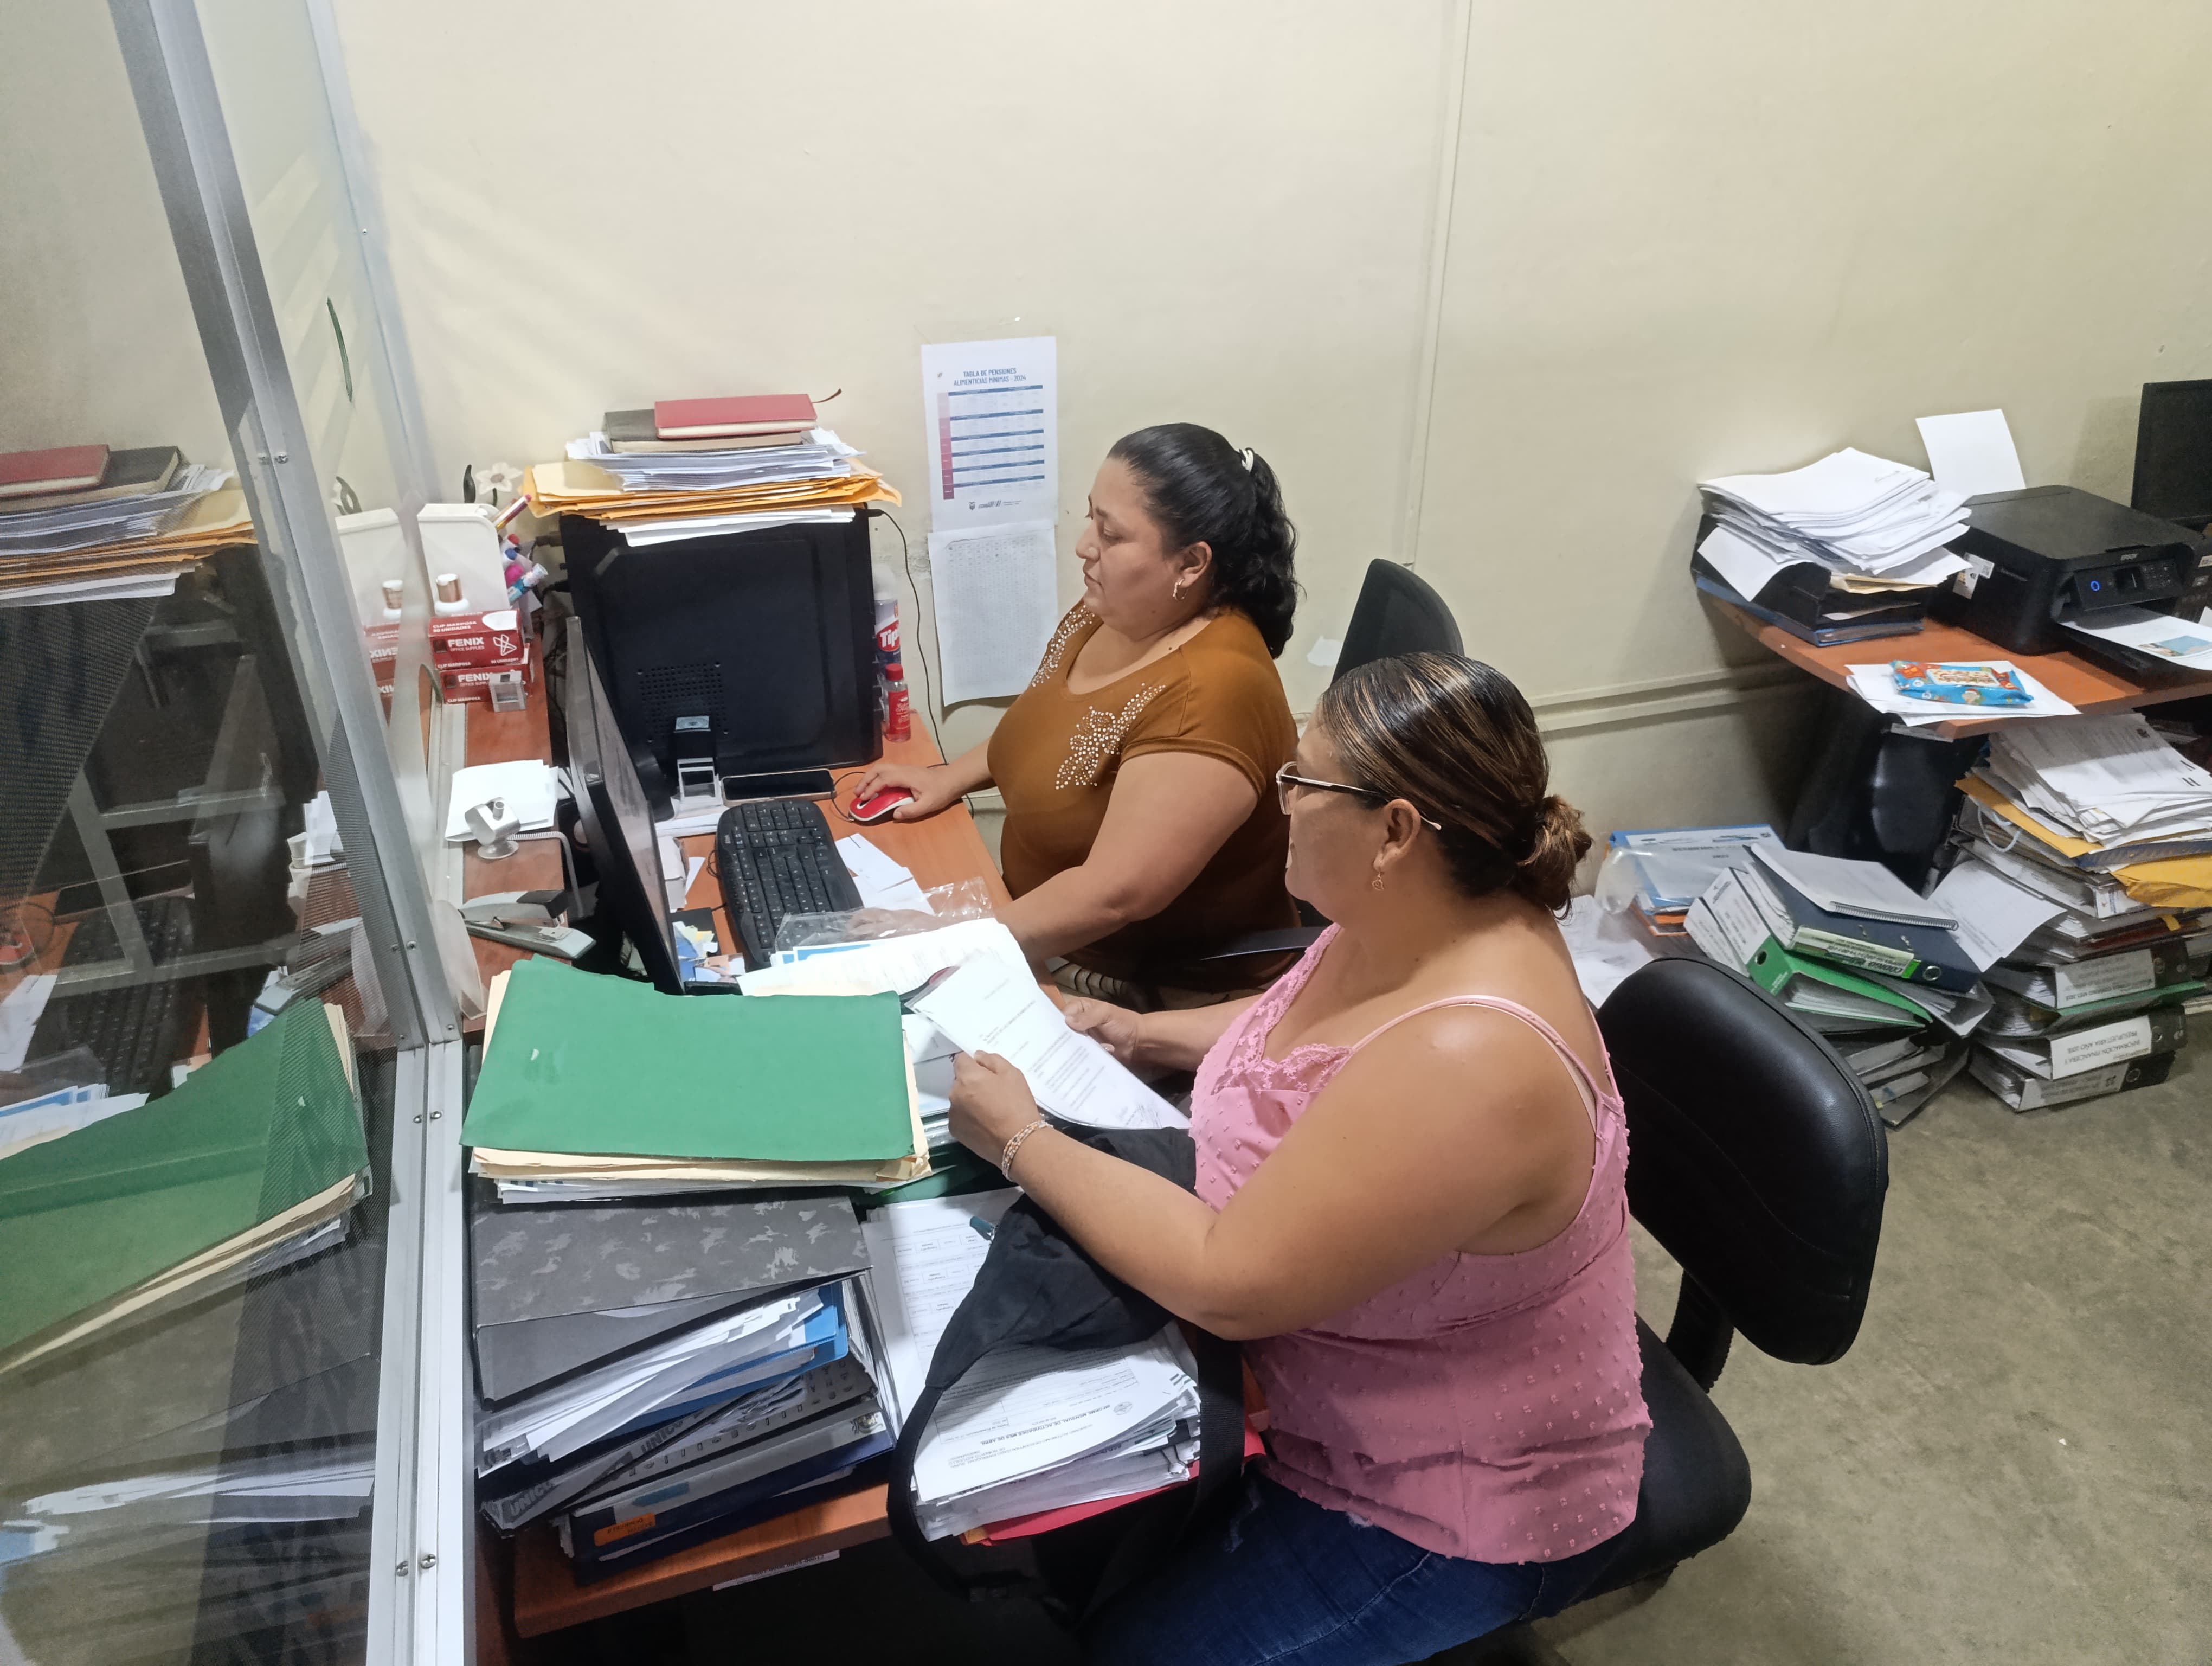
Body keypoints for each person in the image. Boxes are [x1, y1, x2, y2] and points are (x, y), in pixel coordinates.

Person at [947, 653, 1651, 1665]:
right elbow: (1299, 1027)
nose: (1279, 802)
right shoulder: (1415, 908)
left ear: (1395, 830)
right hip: (1301, 1383)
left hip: (1443, 1495)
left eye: (1300, 781)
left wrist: (1022, 1138)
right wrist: (1139, 1032)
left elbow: (1226, 1282)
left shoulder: (1474, 1059)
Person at [852, 424, 1301, 994]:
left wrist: (949, 942)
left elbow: (1113, 896)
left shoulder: (1210, 695)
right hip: (1033, 930)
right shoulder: (1111, 612)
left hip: (1133, 987)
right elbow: (1046, 727)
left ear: (1191, 563)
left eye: (1111, 534)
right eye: (1092, 518)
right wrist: (947, 778)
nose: (1085, 545)